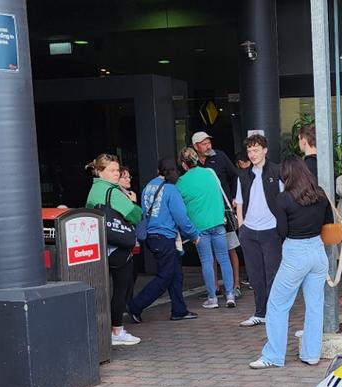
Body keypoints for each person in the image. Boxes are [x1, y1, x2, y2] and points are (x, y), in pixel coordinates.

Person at [249, 156, 332, 370]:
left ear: (287, 176)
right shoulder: (321, 194)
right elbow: (328, 224)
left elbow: (282, 231)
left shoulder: (283, 199)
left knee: (277, 304)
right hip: (318, 252)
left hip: (296, 253)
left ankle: (274, 355)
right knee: (314, 306)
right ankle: (312, 354)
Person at [126, 158, 200, 322]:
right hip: (165, 237)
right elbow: (181, 217)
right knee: (165, 276)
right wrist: (194, 235)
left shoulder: (147, 187)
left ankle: (179, 310)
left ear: (157, 171)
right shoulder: (171, 190)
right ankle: (135, 306)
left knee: (176, 274)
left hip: (151, 237)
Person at [85, 153, 143, 345]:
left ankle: (100, 329)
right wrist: (133, 202)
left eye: (117, 170)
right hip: (118, 247)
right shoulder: (114, 193)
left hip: (101, 245)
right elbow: (135, 215)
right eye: (112, 170)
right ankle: (117, 331)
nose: (116, 174)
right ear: (100, 172)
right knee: (121, 289)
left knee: (101, 288)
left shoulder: (93, 191)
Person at [234, 134, 286, 327]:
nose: (252, 154)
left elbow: (284, 199)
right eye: (249, 150)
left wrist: (283, 226)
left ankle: (273, 312)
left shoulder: (277, 171)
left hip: (271, 230)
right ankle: (260, 312)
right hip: (249, 230)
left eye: (255, 150)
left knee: (272, 273)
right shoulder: (243, 175)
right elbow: (238, 202)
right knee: (255, 274)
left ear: (265, 150)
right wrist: (242, 226)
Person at [179, 146, 237, 309]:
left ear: (184, 164)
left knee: (207, 261)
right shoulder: (210, 173)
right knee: (224, 258)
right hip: (218, 221)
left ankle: (212, 298)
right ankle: (230, 294)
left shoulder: (182, 182)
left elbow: (180, 206)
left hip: (199, 227)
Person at [193, 131, 243, 298]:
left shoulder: (219, 156)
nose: (208, 146)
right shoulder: (193, 163)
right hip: (204, 211)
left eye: (208, 142)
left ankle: (235, 284)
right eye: (203, 143)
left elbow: (234, 175)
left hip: (223, 208)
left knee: (229, 248)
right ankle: (213, 286)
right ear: (196, 146)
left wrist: (235, 197)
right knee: (209, 253)